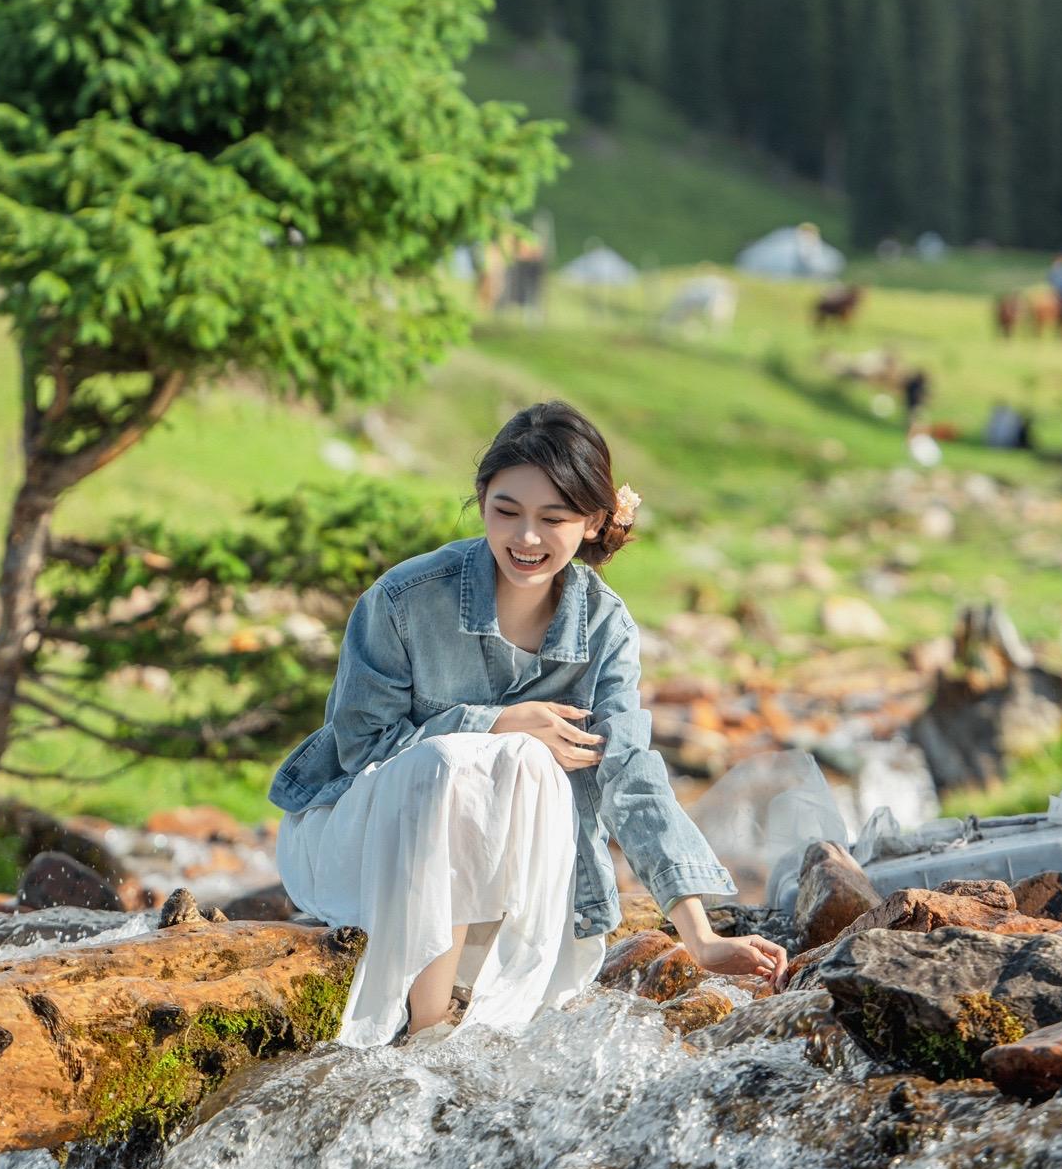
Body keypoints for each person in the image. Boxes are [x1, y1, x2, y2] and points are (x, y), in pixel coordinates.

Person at [267, 400, 785, 1047]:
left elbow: (631, 777)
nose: (526, 539)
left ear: (594, 521)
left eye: (554, 518)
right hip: (365, 846)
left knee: (532, 760)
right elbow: (358, 749)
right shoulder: (404, 600)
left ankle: (464, 1003)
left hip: (506, 884)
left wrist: (701, 937)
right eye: (506, 511)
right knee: (466, 759)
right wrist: (493, 723)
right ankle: (427, 1027)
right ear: (482, 498)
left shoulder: (604, 627)